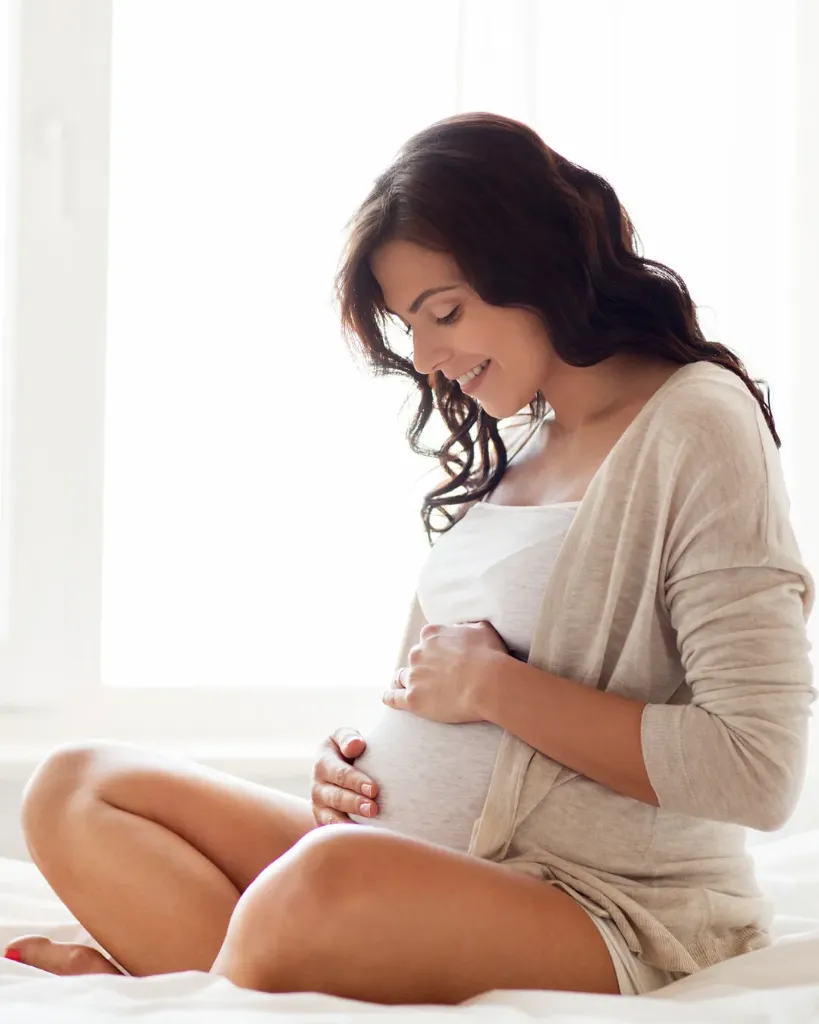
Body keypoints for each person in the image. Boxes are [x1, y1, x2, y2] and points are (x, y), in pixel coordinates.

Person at [4, 111, 814, 1004]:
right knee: (77, 786)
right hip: (409, 866)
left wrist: (494, 690)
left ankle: (176, 988)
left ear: (536, 261)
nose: (427, 359)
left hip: (603, 903)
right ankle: (216, 973)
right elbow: (435, 694)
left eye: (446, 313)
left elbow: (757, 767)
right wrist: (353, 767)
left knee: (317, 888)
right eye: (410, 326)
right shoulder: (525, 443)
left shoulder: (696, 422)